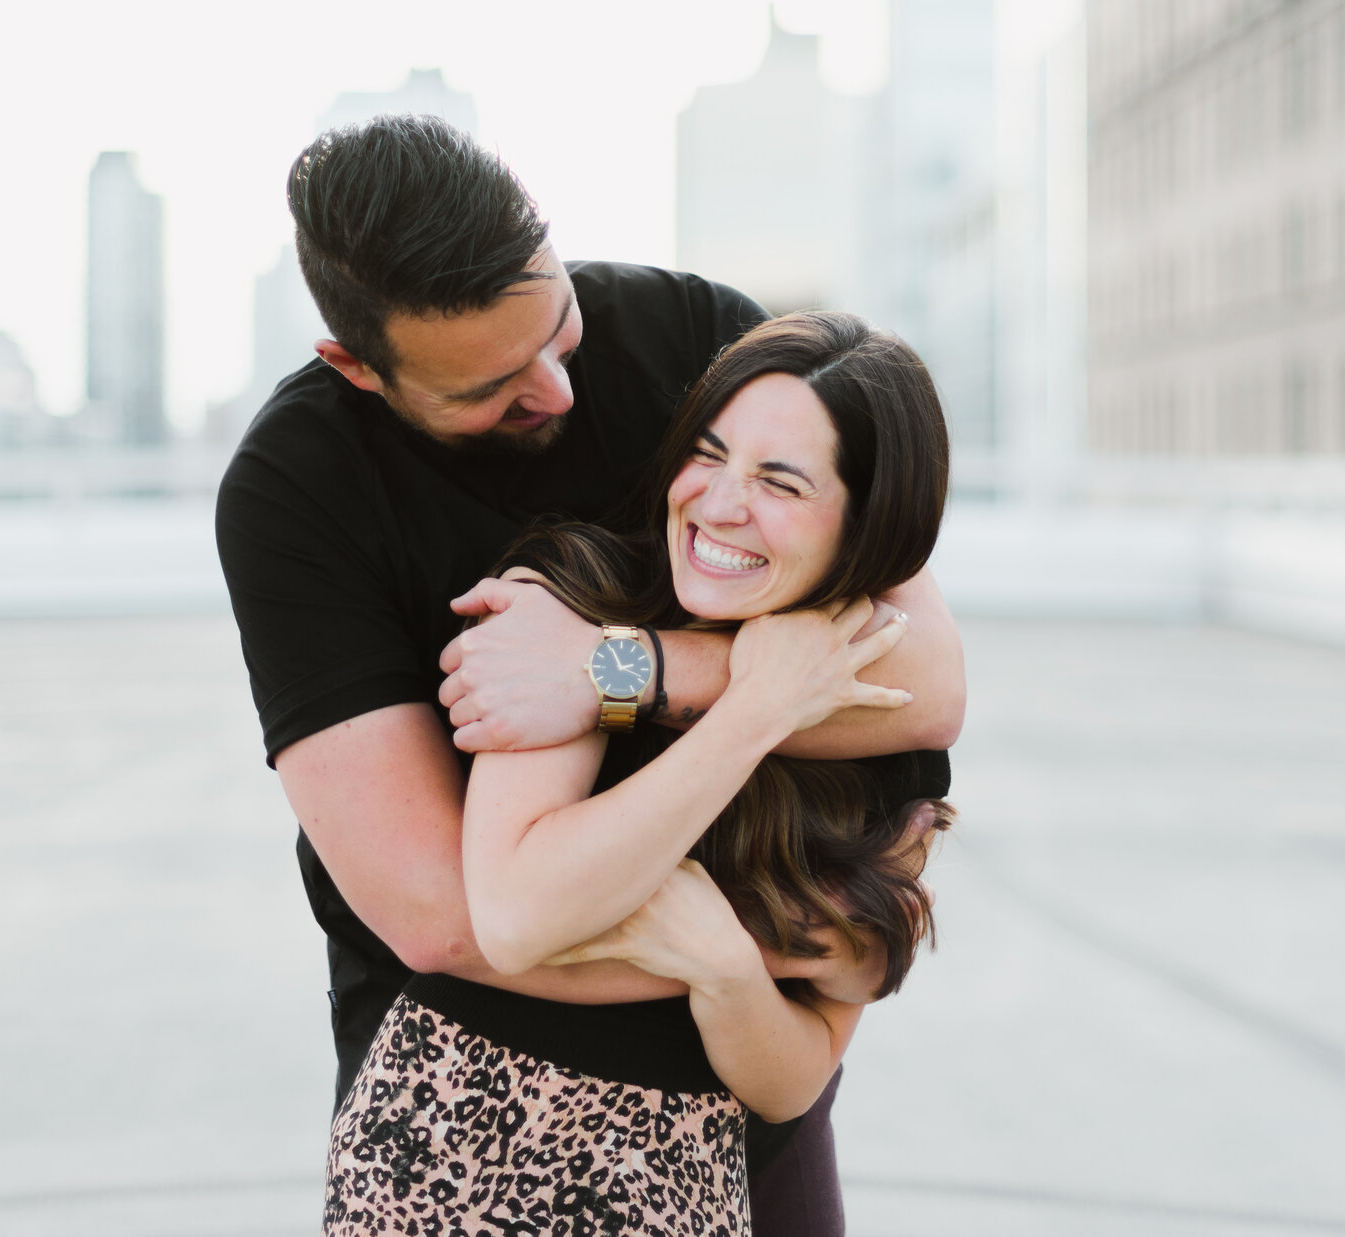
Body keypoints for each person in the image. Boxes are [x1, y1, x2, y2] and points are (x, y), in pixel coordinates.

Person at [215, 116, 965, 1233]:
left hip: (747, 1102)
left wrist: (622, 670)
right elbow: (455, 919)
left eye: (558, 329)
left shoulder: (695, 340)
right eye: (492, 388)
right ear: (357, 367)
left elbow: (926, 682)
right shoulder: (302, 491)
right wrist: (806, 934)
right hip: (482, 1101)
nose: (559, 393)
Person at [322, 310, 956, 1234]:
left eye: (780, 481)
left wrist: (727, 968)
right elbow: (519, 910)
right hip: (463, 1145)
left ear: (869, 525)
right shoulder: (568, 598)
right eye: (709, 451)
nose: (719, 503)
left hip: (683, 1175)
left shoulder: (886, 741)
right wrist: (752, 712)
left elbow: (798, 1074)